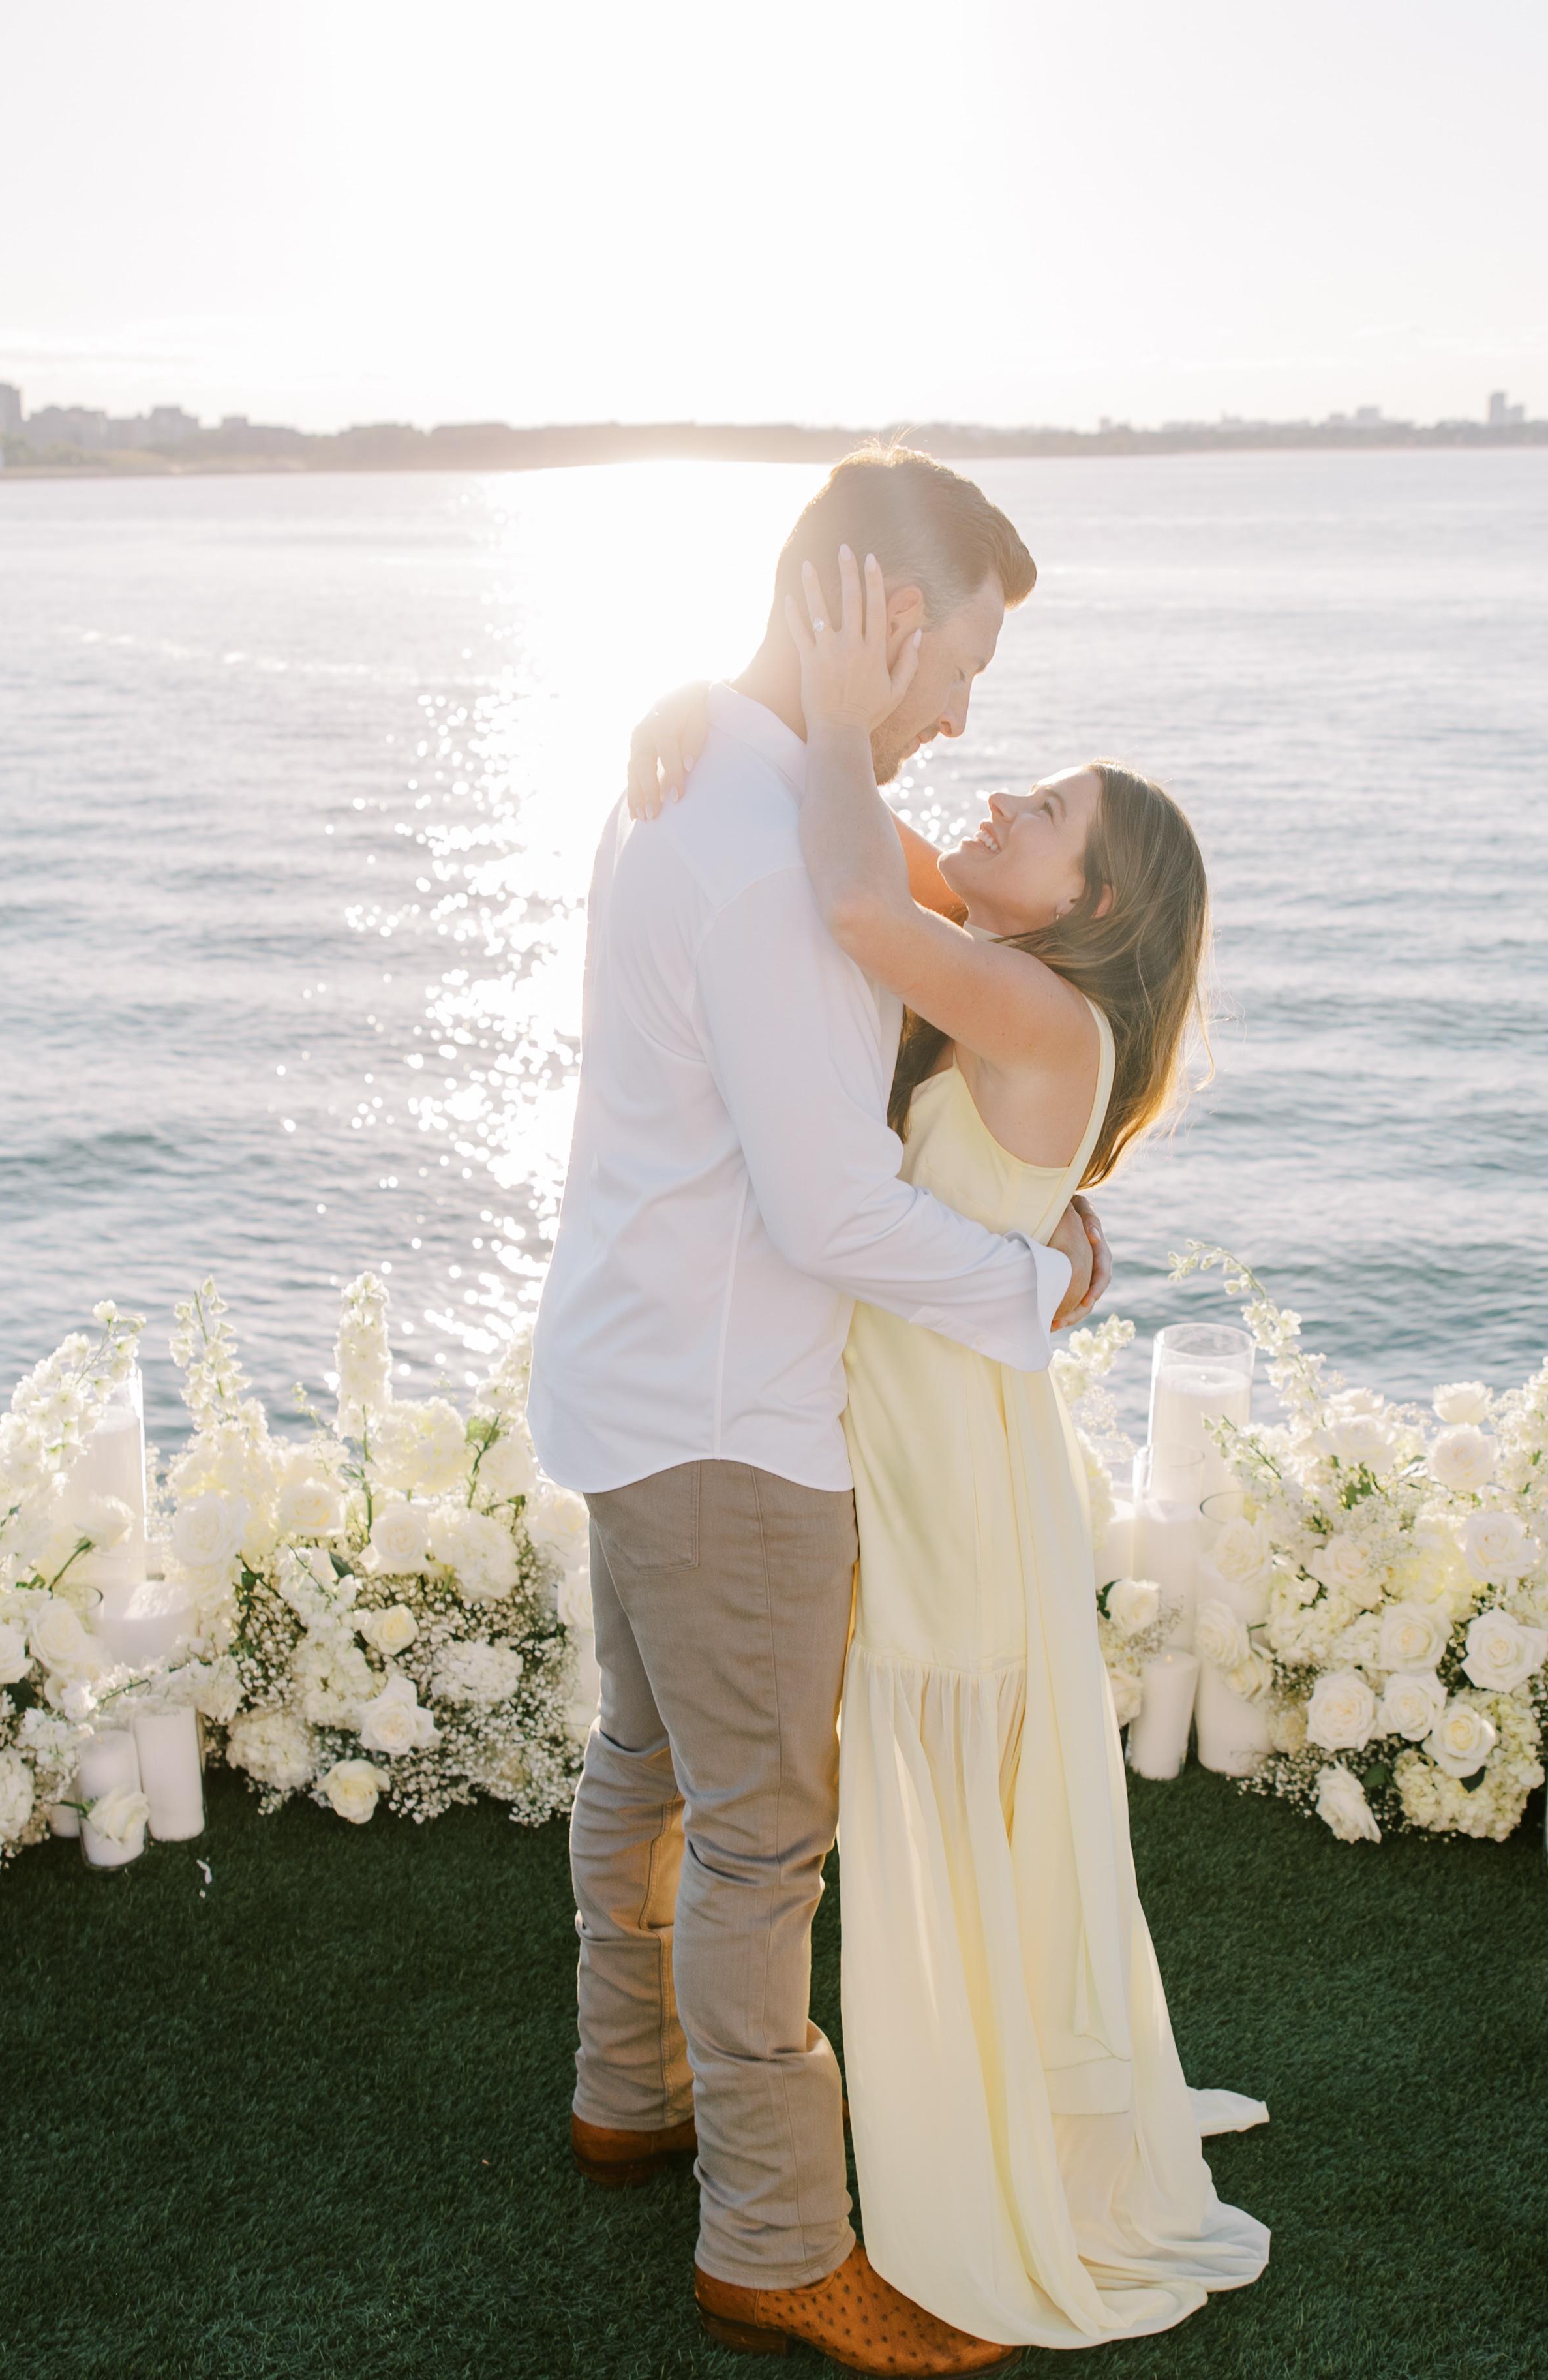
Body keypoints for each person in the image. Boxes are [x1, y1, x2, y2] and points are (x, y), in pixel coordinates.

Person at [623, 549, 1267, 2352]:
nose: (997, 797)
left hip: (948, 1480)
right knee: (928, 1820)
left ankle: (974, 2168)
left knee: (945, 1824)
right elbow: (855, 839)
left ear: (1095, 901)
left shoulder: (1038, 1010)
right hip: (911, 1440)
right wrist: (710, 708)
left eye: (1043, 811)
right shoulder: (1005, 972)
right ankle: (952, 2123)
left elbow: (849, 884)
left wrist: (835, 715)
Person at [531, 448, 1105, 2377]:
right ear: (879, 613)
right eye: (964, 663)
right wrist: (1038, 1285)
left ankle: (628, 2093)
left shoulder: (710, 777)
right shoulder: (760, 837)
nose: (965, 714)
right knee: (763, 1841)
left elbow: (878, 878)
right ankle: (774, 2241)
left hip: (630, 1373)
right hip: (730, 1422)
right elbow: (835, 1214)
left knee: (645, 1764)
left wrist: (727, 692)